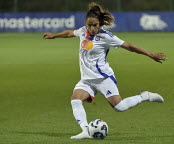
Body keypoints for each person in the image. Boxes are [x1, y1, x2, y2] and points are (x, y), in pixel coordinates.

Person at [43, 2, 167, 139]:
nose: (91, 28)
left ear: (100, 23)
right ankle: (86, 131)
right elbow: (69, 33)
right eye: (89, 24)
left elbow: (129, 46)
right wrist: (54, 36)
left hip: (103, 78)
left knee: (119, 107)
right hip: (87, 80)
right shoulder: (83, 31)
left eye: (94, 25)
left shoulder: (106, 37)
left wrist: (150, 54)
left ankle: (145, 96)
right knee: (75, 100)